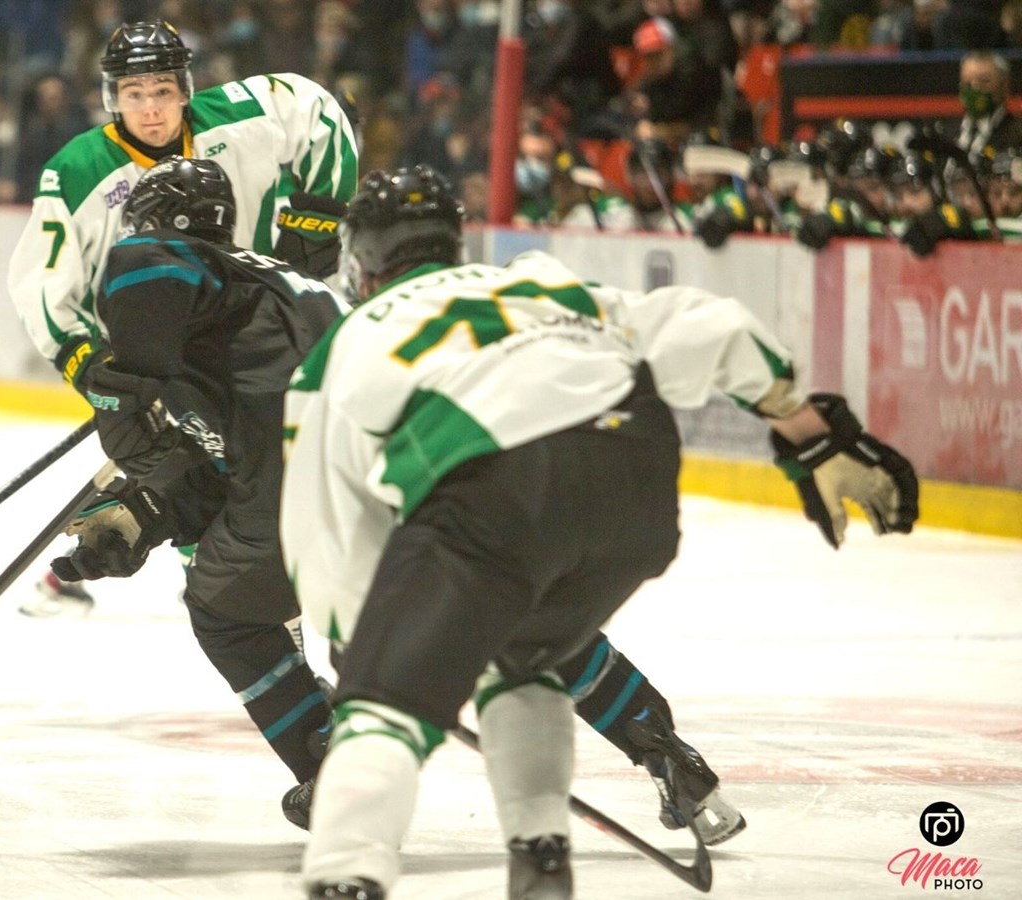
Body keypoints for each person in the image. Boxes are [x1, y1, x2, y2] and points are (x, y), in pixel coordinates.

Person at [285, 165, 920, 899]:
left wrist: (361, 645)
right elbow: (707, 326)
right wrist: (807, 430)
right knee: (528, 658)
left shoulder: (346, 341)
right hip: (635, 488)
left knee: (381, 708)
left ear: (359, 259)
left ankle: (345, 878)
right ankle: (541, 859)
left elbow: (322, 521)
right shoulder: (537, 283)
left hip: (496, 493)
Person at [8, 19, 358, 614]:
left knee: (253, 487)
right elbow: (39, 282)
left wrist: (317, 216)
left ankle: (253, 614)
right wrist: (88, 364)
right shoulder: (78, 170)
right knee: (201, 490)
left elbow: (318, 109)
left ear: (186, 90)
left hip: (256, 342)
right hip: (156, 360)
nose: (151, 110)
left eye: (163, 91)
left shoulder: (237, 119)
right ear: (111, 97)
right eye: (135, 94)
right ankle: (250, 619)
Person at [47, 156, 347, 828]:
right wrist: (142, 513)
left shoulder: (175, 262)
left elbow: (145, 263)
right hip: (396, 481)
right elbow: (218, 452)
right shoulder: (267, 291)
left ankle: (338, 767)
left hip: (303, 484)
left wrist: (113, 371)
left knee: (225, 607)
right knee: (531, 627)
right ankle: (645, 737)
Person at [955, 51, 1022, 167]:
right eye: (967, 83)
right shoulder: (947, 132)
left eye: (984, 81)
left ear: (1004, 85)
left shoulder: (1017, 134)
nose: (975, 89)